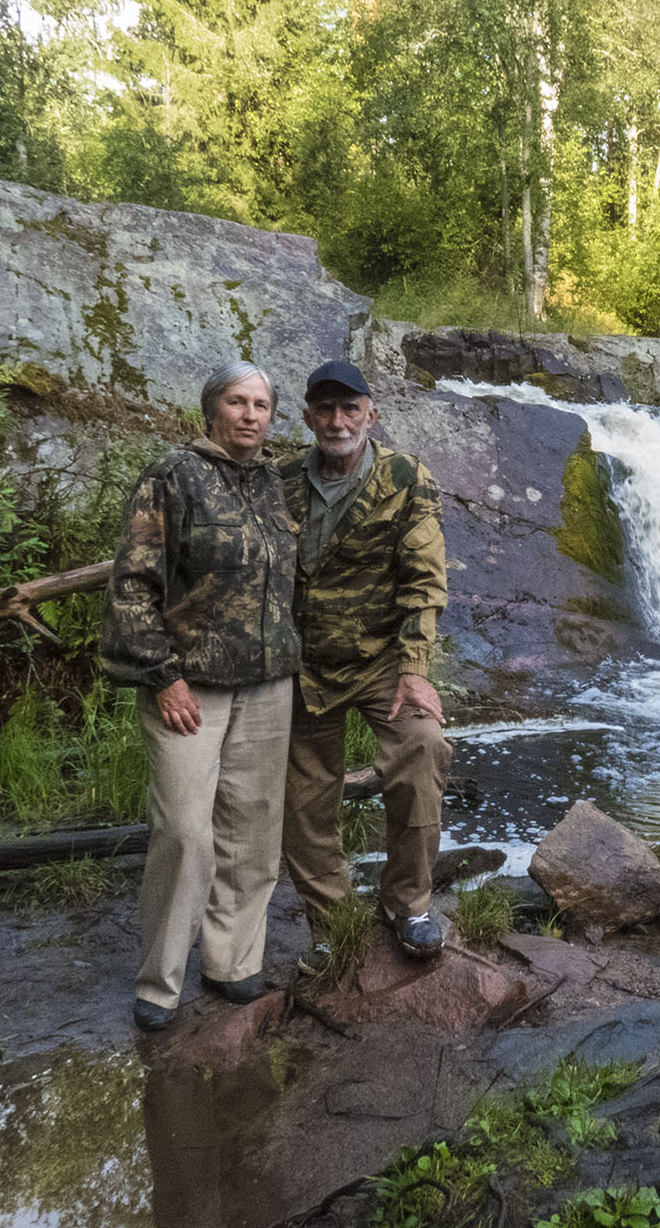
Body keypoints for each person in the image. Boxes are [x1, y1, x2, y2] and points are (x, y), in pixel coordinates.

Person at [103, 360, 300, 1032]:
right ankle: (160, 981)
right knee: (185, 832)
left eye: (263, 404)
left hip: (269, 683)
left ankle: (232, 960)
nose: (251, 415)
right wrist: (162, 674)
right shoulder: (172, 476)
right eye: (239, 403)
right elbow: (132, 584)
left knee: (253, 830)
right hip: (188, 688)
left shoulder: (277, 481)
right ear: (212, 409)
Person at [280, 359, 451, 963]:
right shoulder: (279, 480)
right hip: (303, 667)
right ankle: (331, 922)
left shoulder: (406, 477)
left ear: (371, 413)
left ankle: (409, 904)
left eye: (349, 407)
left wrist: (414, 669)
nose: (336, 420)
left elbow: (424, 581)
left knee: (422, 748)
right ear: (306, 416)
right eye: (324, 409)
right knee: (303, 799)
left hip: (384, 662)